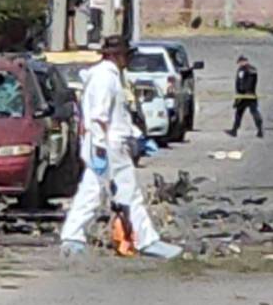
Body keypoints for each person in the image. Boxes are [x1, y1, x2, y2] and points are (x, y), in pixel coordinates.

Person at [60, 35, 182, 260]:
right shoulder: (106, 78)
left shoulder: (105, 76)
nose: (128, 60)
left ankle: (72, 237)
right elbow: (99, 117)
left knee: (92, 191)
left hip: (107, 143)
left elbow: (117, 115)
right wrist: (99, 148)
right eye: (126, 55)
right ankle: (147, 240)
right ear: (117, 55)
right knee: (128, 194)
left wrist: (136, 135)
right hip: (110, 145)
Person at [227, 55, 263, 138]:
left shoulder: (243, 70)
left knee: (239, 113)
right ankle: (260, 130)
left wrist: (241, 93)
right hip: (251, 94)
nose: (239, 64)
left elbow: (242, 83)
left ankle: (234, 130)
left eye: (240, 62)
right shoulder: (252, 69)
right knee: (254, 112)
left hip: (244, 95)